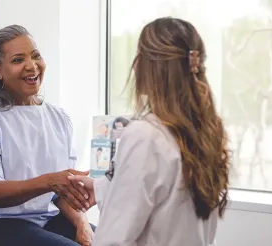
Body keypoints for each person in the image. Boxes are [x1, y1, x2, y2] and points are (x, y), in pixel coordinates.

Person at [69, 17, 230, 246]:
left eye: (140, 56)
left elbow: (114, 238)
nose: (135, 65)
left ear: (153, 67)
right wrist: (100, 188)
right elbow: (169, 194)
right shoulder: (207, 130)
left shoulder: (145, 135)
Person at [0, 25, 95, 246]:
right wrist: (50, 182)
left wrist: (82, 223)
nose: (31, 66)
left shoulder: (58, 117)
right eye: (18, 60)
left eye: (36, 55)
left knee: (117, 240)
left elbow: (62, 193)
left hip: (43, 218)